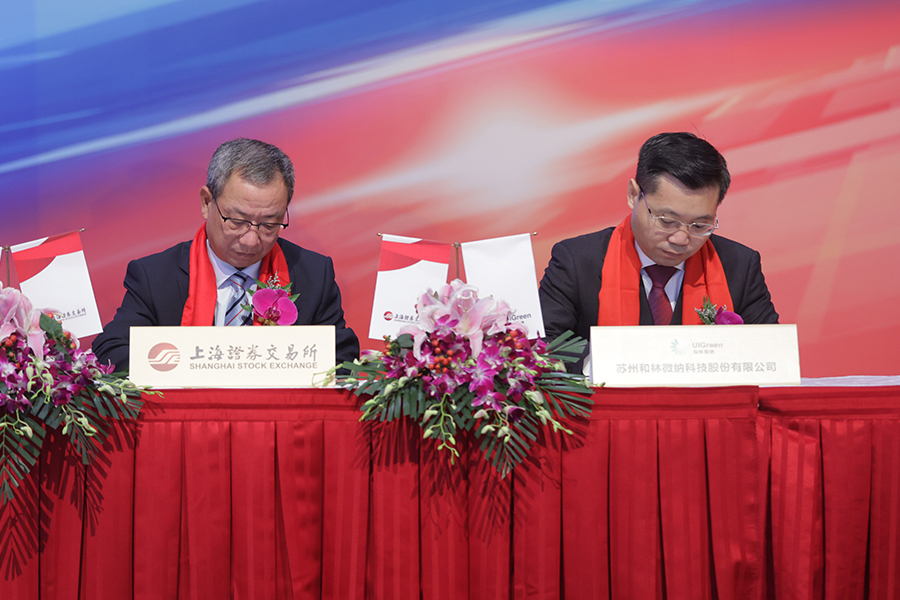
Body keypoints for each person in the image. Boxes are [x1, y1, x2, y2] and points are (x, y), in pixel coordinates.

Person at [93, 138, 359, 370]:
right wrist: (182, 367)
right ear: (207, 203)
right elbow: (111, 352)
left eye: (269, 224)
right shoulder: (155, 277)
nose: (251, 240)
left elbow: (342, 360)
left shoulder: (313, 274)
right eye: (236, 221)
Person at [539, 132, 778, 372]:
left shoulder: (739, 265)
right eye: (666, 221)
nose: (680, 239)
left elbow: (772, 353)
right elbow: (543, 346)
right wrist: (617, 363)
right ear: (634, 195)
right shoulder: (576, 261)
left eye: (699, 225)